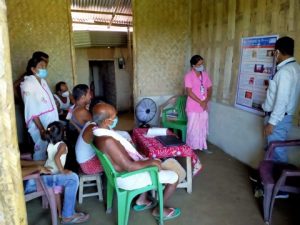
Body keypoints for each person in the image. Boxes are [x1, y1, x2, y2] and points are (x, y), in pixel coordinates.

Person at [93, 103, 181, 220]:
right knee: (174, 177)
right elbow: (130, 166)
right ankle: (159, 210)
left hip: (117, 174)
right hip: (127, 177)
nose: (116, 119)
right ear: (106, 121)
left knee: (146, 159)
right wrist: (152, 162)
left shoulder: (98, 133)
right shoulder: (107, 140)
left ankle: (142, 200)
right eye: (114, 117)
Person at [262, 36, 300, 162]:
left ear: (277, 52)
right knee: (274, 149)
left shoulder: (284, 72)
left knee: (276, 150)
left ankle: (283, 179)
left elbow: (281, 101)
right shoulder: (295, 68)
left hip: (278, 118)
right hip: (284, 116)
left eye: (275, 53)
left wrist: (271, 123)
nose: (275, 56)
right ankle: (269, 178)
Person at [21, 160, 89, 224]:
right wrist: (38, 167)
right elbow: (17, 174)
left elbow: (20, 162)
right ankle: (67, 217)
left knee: (59, 172)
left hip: (32, 175)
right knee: (73, 179)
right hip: (28, 182)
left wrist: (43, 162)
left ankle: (67, 213)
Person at [20, 56, 59, 160]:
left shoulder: (43, 82)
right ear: (33, 69)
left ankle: (52, 171)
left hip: (50, 122)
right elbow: (31, 109)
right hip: (40, 124)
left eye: (45, 66)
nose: (44, 68)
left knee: (52, 149)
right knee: (41, 150)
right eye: (41, 66)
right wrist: (41, 129)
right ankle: (40, 172)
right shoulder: (27, 84)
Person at [184, 55, 212, 153]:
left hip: (203, 106)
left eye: (202, 64)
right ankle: (190, 148)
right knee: (192, 128)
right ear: (193, 66)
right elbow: (189, 92)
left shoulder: (205, 75)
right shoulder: (188, 76)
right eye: (199, 64)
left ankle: (203, 146)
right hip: (193, 106)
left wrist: (206, 101)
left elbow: (209, 88)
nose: (201, 66)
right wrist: (201, 102)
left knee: (203, 127)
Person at [44, 121, 71, 219]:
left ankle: (49, 204)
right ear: (63, 133)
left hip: (46, 171)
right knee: (57, 194)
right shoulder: (62, 145)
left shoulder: (50, 143)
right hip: (55, 174)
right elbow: (56, 158)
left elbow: (51, 158)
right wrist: (62, 171)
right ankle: (59, 214)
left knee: (54, 193)